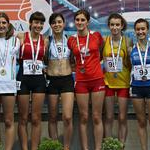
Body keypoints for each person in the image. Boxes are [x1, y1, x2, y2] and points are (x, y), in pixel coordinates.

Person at [68, 9, 105, 150]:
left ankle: (98, 148)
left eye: (83, 20)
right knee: (83, 117)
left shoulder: (96, 36)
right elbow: (71, 59)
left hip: (97, 80)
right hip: (81, 81)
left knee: (96, 117)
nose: (80, 22)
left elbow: (100, 54)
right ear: (74, 22)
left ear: (88, 22)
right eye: (77, 20)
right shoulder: (71, 40)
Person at [17, 11, 48, 150]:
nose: (38, 25)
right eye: (36, 22)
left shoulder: (45, 40)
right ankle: (24, 148)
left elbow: (45, 60)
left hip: (39, 80)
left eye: (41, 23)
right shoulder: (20, 36)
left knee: (36, 118)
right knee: (23, 118)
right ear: (30, 23)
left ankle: (34, 148)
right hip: (23, 78)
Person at [103, 13, 133, 147]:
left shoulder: (127, 41)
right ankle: (109, 146)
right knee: (109, 117)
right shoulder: (104, 40)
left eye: (117, 25)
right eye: (112, 24)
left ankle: (121, 146)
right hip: (108, 83)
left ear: (122, 26)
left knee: (122, 117)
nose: (115, 27)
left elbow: (131, 63)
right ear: (109, 26)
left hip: (123, 83)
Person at [46, 13, 74, 150]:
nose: (57, 25)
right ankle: (55, 145)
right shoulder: (47, 41)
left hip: (67, 80)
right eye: (54, 23)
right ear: (50, 25)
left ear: (63, 24)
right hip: (52, 80)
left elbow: (75, 60)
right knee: (52, 116)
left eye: (59, 22)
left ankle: (66, 147)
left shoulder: (70, 40)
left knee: (68, 117)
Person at [0, 12, 20, 150]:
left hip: (8, 85)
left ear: (8, 25)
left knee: (8, 120)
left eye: (3, 22)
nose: (1, 25)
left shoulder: (16, 41)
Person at [130, 18, 150, 150]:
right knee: (141, 121)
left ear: (147, 30)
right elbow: (127, 67)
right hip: (137, 87)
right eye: (138, 29)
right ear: (135, 31)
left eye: (143, 29)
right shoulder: (130, 48)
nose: (140, 31)